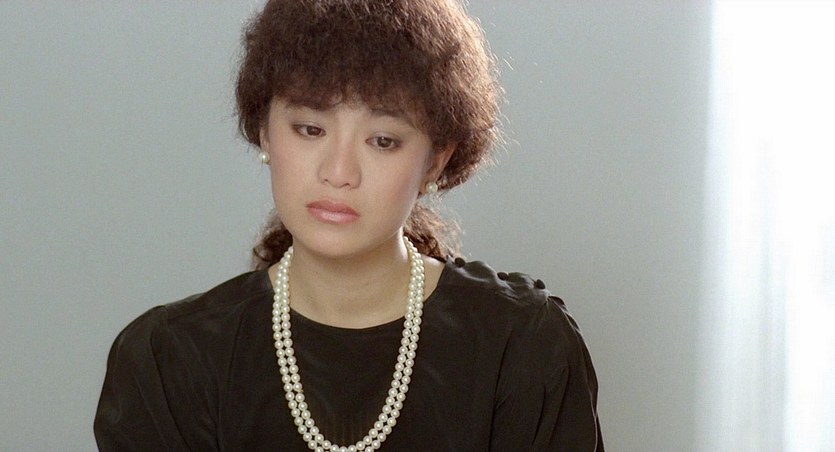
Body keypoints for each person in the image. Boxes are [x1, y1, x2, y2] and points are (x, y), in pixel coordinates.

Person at [94, 0, 604, 450]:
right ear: (265, 133)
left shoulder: (522, 348)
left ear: (436, 161)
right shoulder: (169, 364)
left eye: (383, 141)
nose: (339, 172)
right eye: (310, 129)